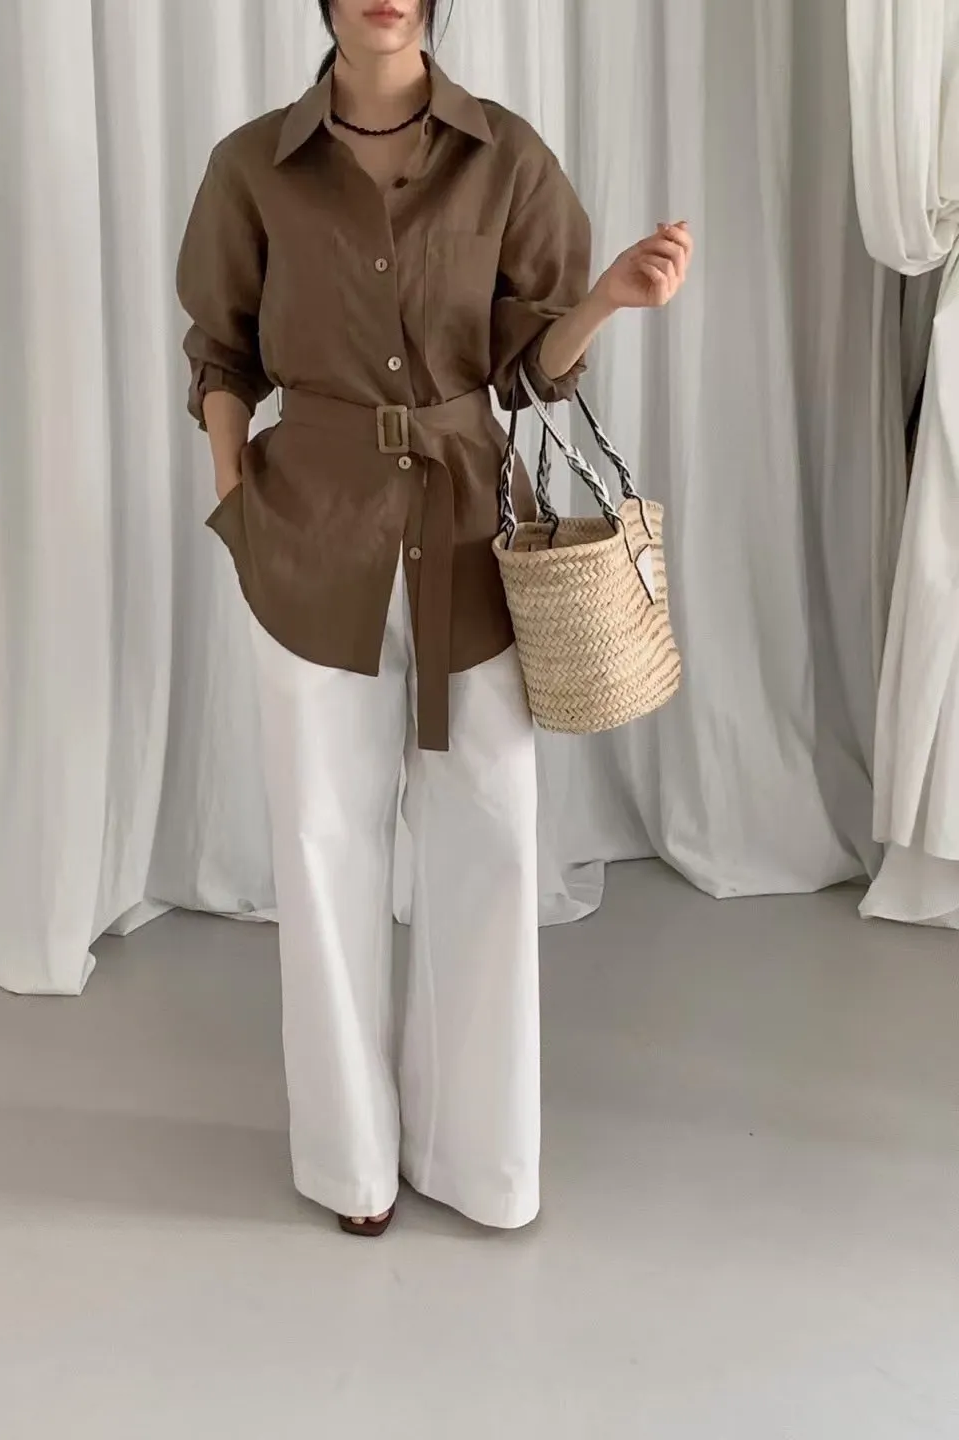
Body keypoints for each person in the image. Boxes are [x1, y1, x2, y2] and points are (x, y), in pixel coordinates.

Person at [177, 0, 691, 1237]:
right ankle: (348, 1164)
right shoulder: (252, 167)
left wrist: (608, 298)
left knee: (492, 838)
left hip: (469, 531)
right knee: (322, 844)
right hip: (310, 540)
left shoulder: (505, 156)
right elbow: (220, 350)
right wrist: (234, 489)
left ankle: (478, 1159)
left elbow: (530, 369)